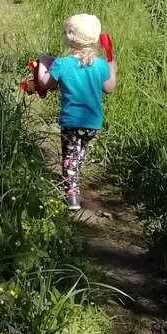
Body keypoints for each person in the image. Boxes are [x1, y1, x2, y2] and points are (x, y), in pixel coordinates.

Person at [38, 13, 118, 211]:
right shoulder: (101, 64)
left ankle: (72, 196)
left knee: (69, 156)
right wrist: (113, 71)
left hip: (71, 121)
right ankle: (74, 172)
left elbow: (45, 83)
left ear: (69, 38)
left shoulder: (62, 64)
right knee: (79, 151)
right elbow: (109, 88)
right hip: (93, 123)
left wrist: (42, 63)